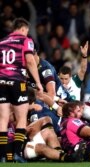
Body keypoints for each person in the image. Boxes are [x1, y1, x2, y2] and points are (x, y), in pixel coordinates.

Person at [0, 18, 43, 163]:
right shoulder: (26, 40)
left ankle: (2, 156)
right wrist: (38, 82)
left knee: (3, 119)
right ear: (23, 29)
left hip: (1, 82)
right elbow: (30, 61)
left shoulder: (2, 42)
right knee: (21, 118)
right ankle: (17, 154)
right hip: (17, 81)